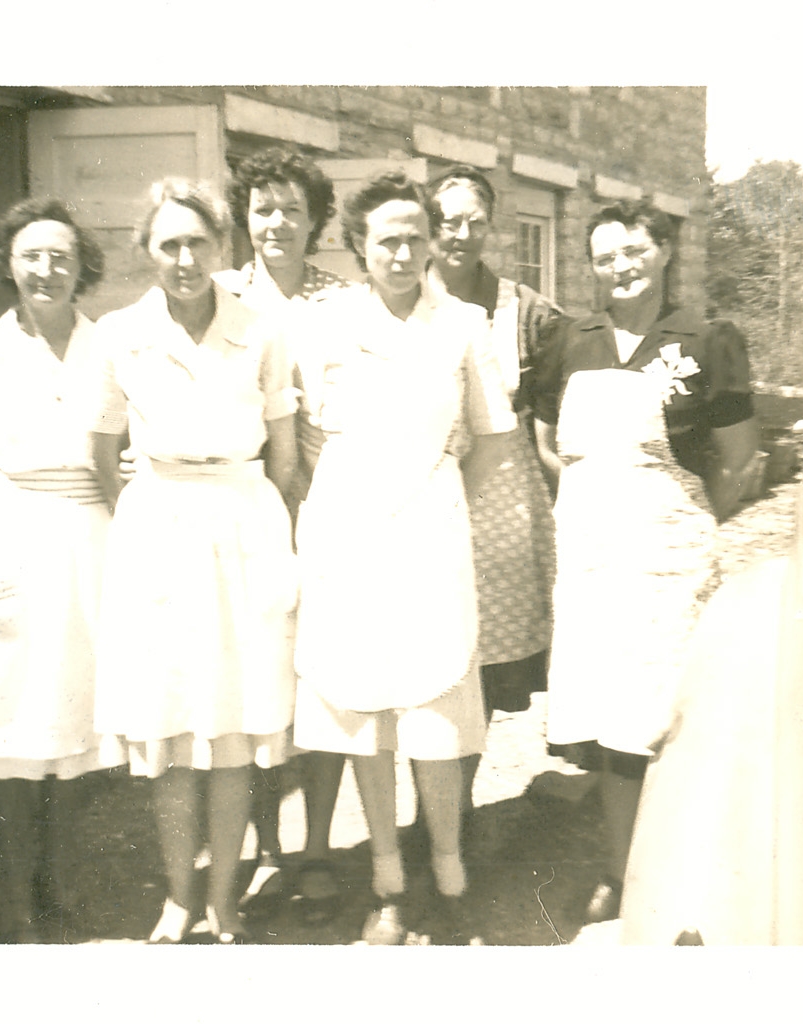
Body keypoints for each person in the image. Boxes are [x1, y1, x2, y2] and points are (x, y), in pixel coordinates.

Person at [289, 171, 516, 944]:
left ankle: (449, 874)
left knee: (435, 707)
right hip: (348, 536)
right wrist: (346, 503)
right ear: (359, 245)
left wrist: (439, 495)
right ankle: (387, 881)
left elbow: (494, 437)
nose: (403, 252)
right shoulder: (324, 324)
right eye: (386, 239)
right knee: (366, 711)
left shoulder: (464, 324)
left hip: (431, 535)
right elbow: (309, 432)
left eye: (416, 237)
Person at [531, 198, 764, 924]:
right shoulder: (570, 340)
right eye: (605, 257)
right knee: (610, 719)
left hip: (670, 560)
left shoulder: (706, 341)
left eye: (634, 251)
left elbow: (740, 459)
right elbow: (545, 442)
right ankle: (622, 870)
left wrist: (685, 523)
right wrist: (593, 504)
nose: (621, 267)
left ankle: (684, 875)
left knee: (665, 713)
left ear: (663, 252)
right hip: (593, 561)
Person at [89, 179, 299, 945]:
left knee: (234, 725)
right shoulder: (119, 334)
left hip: (243, 522)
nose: (184, 259)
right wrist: (152, 517)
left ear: (220, 248)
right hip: (160, 529)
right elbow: (102, 451)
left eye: (197, 243)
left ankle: (223, 897)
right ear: (147, 251)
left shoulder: (262, 330)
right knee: (172, 724)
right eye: (169, 244)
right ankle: (179, 896)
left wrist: (257, 526)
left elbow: (284, 455)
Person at [0, 197, 123, 942]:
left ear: (82, 267)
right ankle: (18, 900)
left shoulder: (112, 346)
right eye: (31, 256)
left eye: (61, 257)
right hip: (7, 535)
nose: (46, 269)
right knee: (8, 720)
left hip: (90, 538)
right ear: (9, 265)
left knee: (75, 718)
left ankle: (61, 884)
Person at [211, 148, 353, 915]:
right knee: (259, 680)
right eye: (263, 208)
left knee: (324, 679)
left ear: (316, 219)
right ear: (245, 216)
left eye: (293, 209)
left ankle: (319, 847)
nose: (277, 223)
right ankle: (266, 846)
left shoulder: (345, 301)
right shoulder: (219, 296)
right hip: (247, 513)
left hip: (328, 508)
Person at [424, 166, 560, 842]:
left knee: (480, 670)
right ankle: (430, 814)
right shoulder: (404, 297)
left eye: (473, 221)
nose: (460, 233)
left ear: (490, 226)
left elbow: (560, 410)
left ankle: (457, 809)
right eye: (447, 220)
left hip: (499, 506)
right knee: (423, 662)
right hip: (419, 498)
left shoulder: (524, 311)